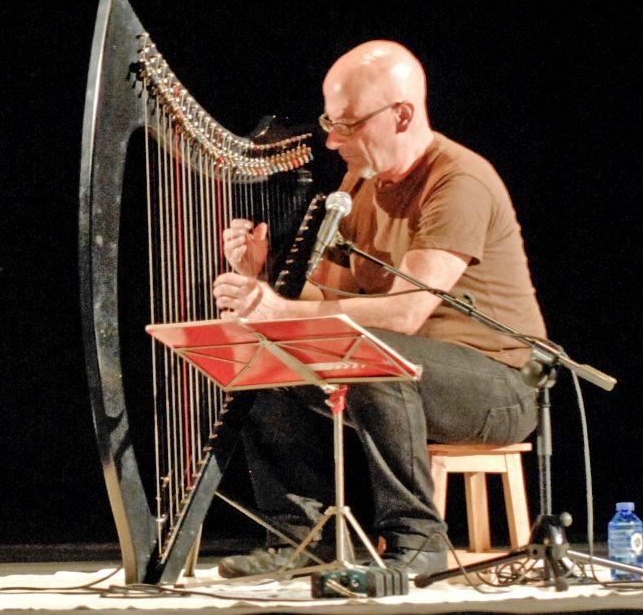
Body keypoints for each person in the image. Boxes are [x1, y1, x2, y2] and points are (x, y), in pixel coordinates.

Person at [211, 40, 546, 577]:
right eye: (328, 121)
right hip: (409, 370)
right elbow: (328, 298)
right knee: (263, 356)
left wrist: (281, 311)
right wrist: (264, 281)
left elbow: (408, 312)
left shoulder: (456, 180)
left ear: (402, 115)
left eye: (346, 124)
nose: (330, 139)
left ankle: (417, 539)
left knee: (373, 355)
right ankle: (302, 536)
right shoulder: (359, 183)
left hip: (502, 384)